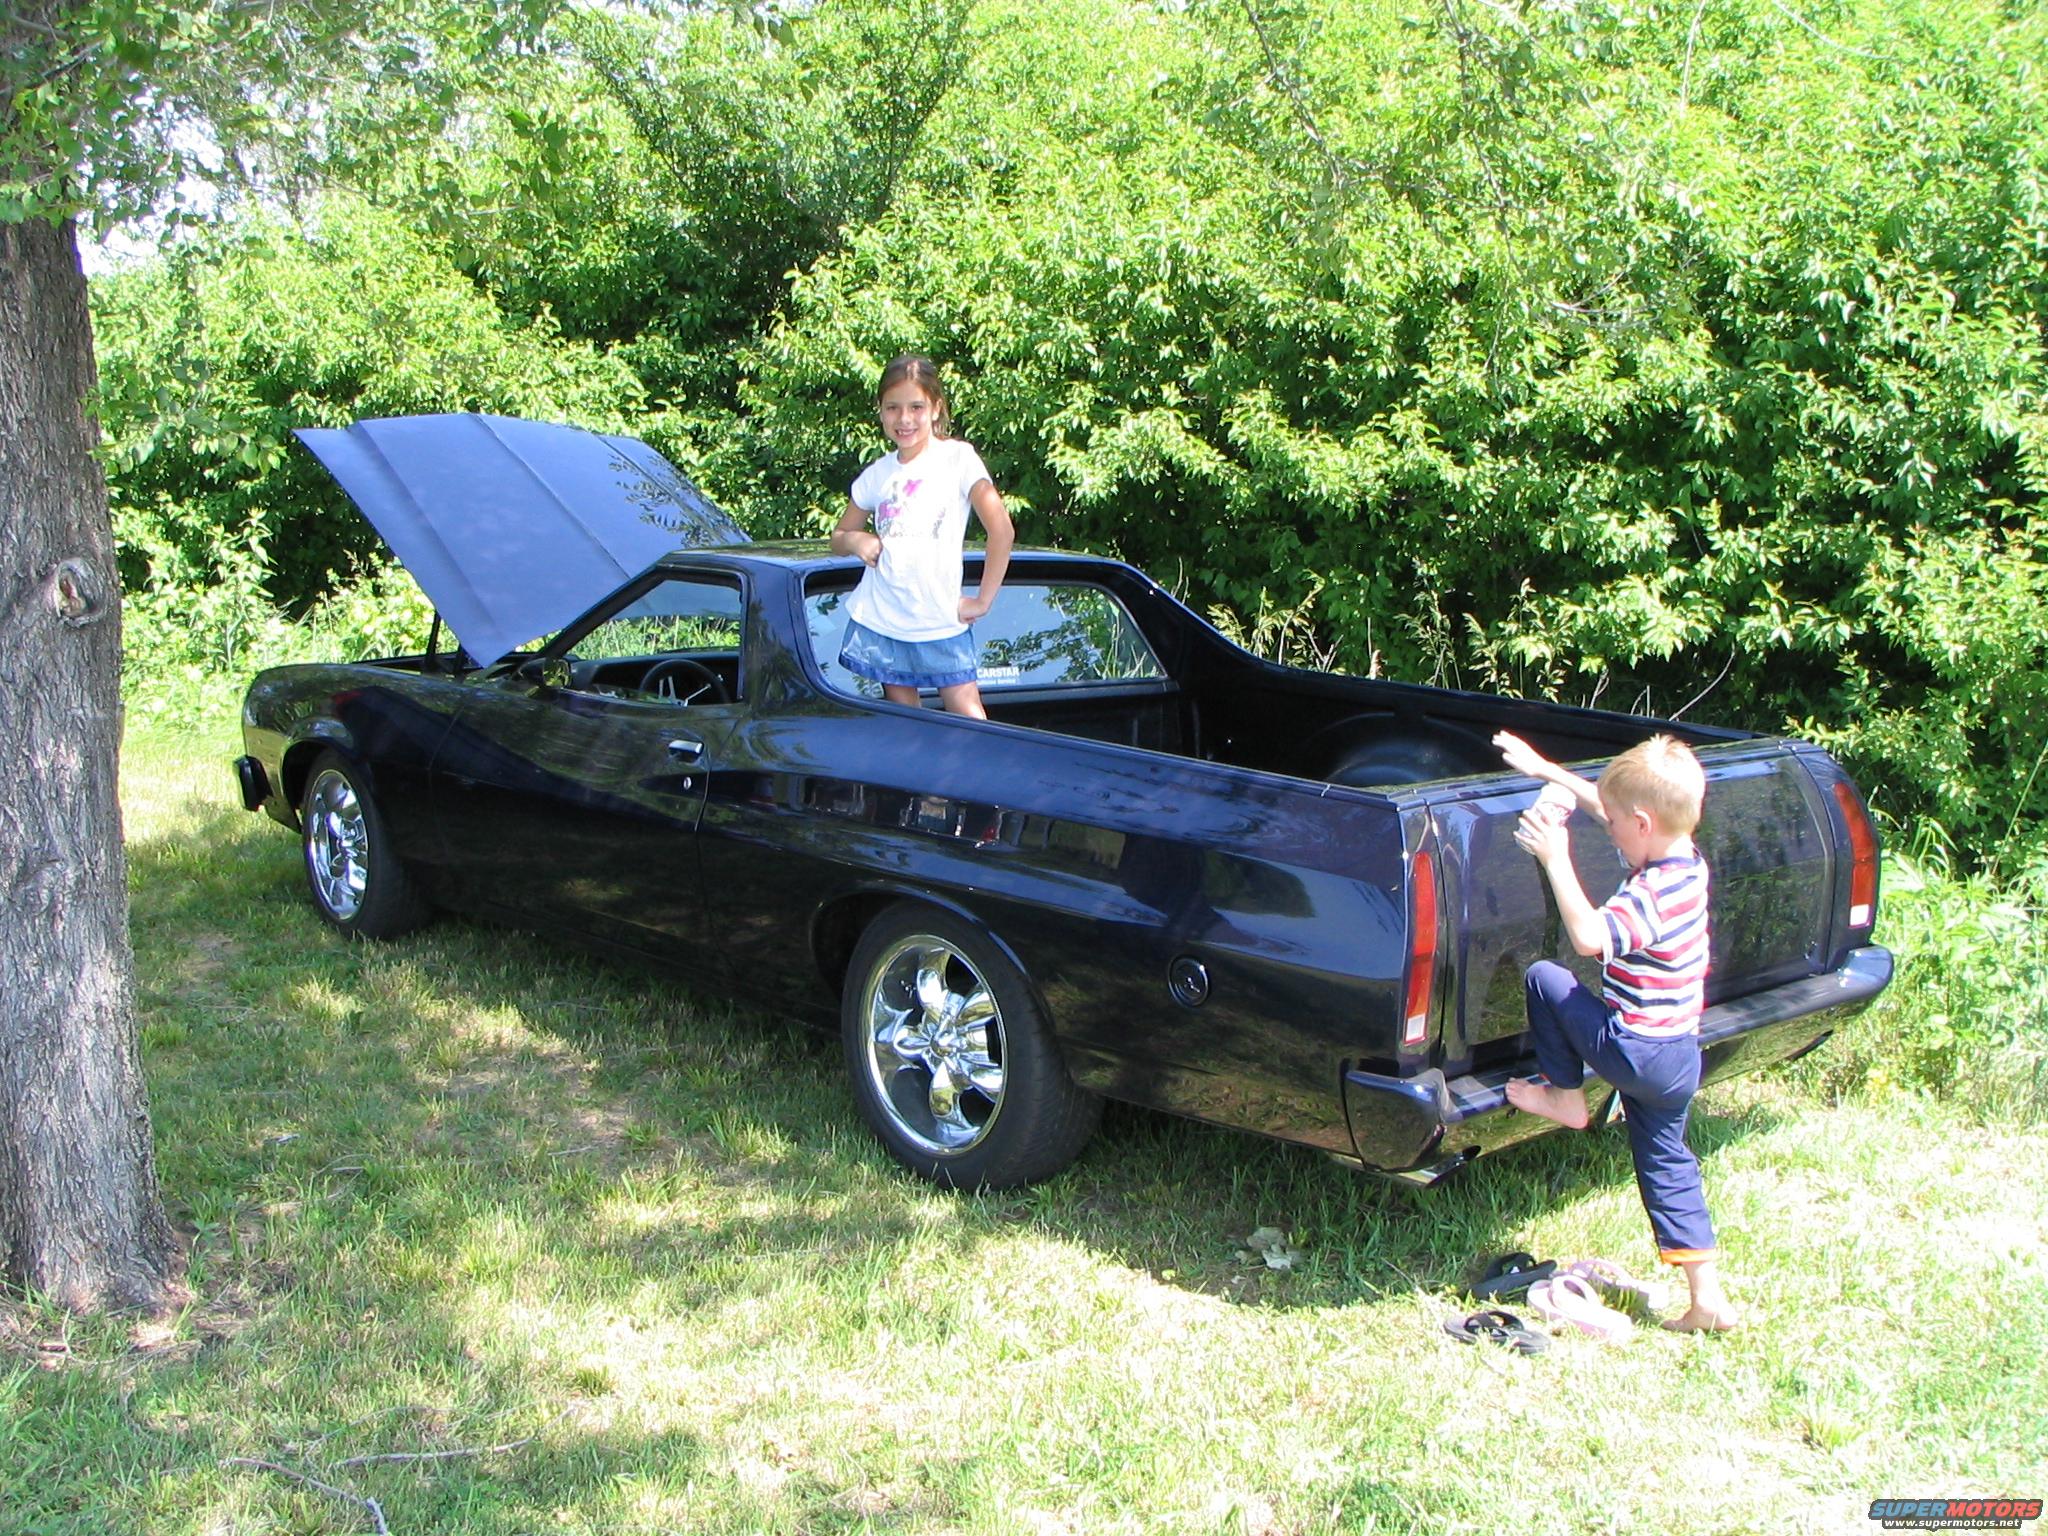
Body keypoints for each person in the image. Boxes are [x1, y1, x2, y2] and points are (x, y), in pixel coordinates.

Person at [1492, 728, 1739, 1333]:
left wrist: (1556, 857)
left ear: (1645, 826)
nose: (1610, 833)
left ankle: (1567, 1098)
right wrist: (1547, 768)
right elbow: (1611, 806)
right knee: (1668, 1164)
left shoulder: (1653, 893)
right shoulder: (1686, 862)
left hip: (1635, 1050)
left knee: (1549, 979)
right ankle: (1706, 1299)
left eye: (1617, 829)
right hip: (1679, 1055)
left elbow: (1590, 938)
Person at [830, 354, 1014, 718]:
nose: (904, 419)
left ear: (935, 408)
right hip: (884, 620)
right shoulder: (877, 474)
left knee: (969, 720)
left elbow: (1002, 530)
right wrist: (857, 541)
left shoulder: (958, 459)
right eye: (892, 408)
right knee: (908, 725)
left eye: (916, 406)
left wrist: (983, 601)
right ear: (881, 412)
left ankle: (976, 778)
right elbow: (838, 536)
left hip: (941, 619)